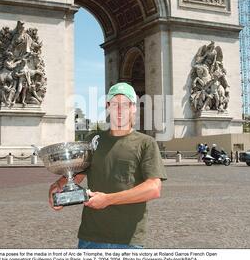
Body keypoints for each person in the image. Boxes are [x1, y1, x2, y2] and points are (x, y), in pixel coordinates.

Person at [49, 82, 167, 249]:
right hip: (90, 237)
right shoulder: (92, 140)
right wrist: (58, 186)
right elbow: (77, 175)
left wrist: (108, 200)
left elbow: (153, 188)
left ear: (133, 107)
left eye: (125, 104)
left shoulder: (146, 143)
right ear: (107, 106)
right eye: (114, 104)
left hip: (128, 240)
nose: (120, 110)